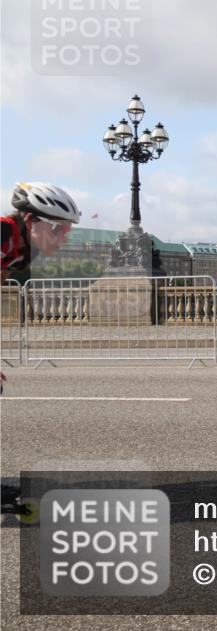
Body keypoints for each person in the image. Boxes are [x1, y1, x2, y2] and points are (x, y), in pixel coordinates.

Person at [1, 182, 80, 522]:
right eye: (59, 229)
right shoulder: (3, 233)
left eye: (68, 230)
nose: (65, 237)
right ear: (32, 221)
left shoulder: (20, 250)